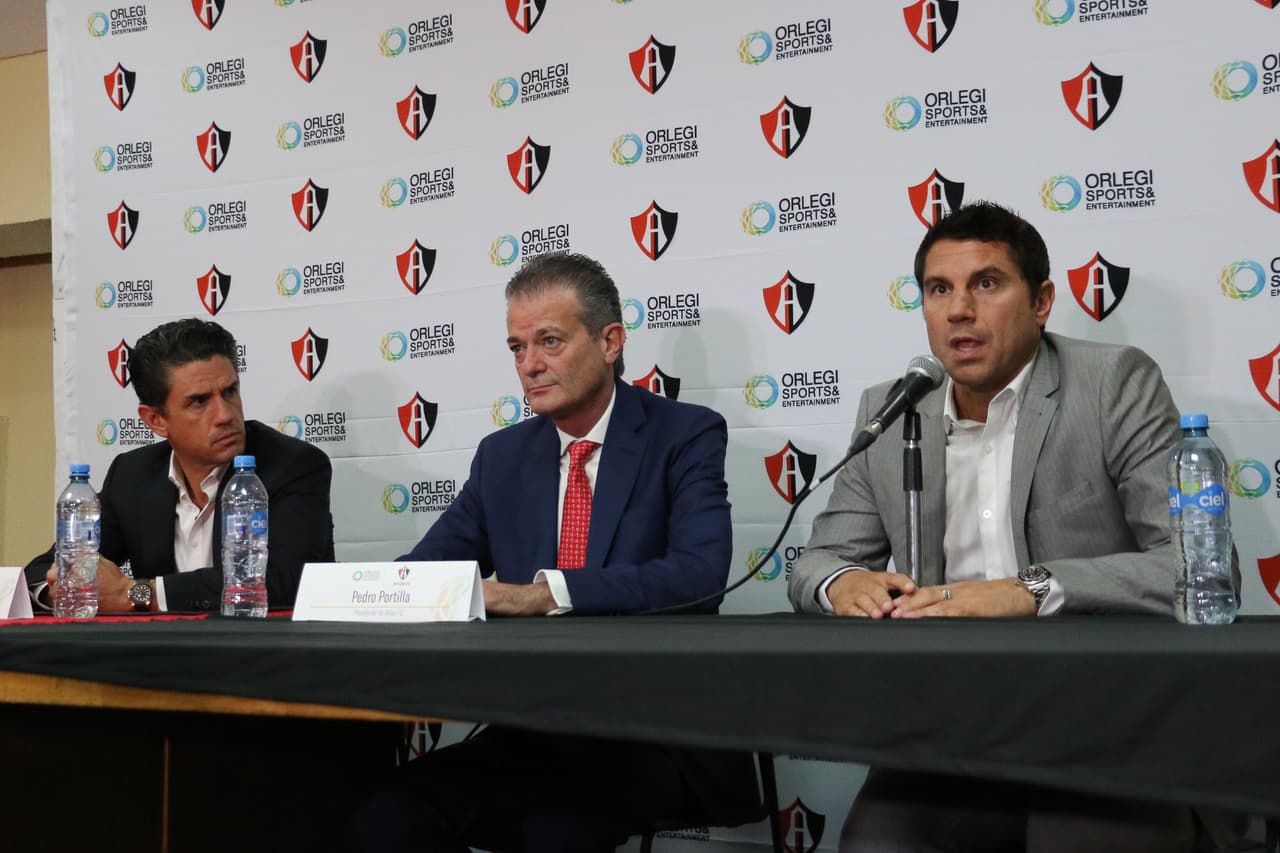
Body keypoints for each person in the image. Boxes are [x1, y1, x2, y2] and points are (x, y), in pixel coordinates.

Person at [788, 202, 1239, 851]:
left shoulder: (1112, 383)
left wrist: (1026, 590)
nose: (959, 310)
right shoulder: (895, 409)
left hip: (1103, 720)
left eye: (987, 284)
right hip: (946, 729)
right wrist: (844, 582)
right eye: (939, 289)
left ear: (1042, 301)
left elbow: (1199, 566)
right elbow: (816, 560)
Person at [356, 252, 759, 852]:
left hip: (656, 728)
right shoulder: (503, 456)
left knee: (557, 829)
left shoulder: (686, 433)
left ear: (610, 341)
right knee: (387, 810)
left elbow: (699, 576)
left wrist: (545, 595)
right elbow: (427, 566)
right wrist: (362, 593)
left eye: (549, 341)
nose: (530, 366)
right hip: (535, 728)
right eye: (517, 348)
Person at [28, 318, 334, 612]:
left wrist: (133, 593)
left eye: (230, 392)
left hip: (267, 655)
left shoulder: (293, 466)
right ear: (156, 420)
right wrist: (61, 589)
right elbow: (43, 570)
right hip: (162, 659)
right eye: (199, 401)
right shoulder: (133, 475)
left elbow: (283, 581)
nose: (225, 415)